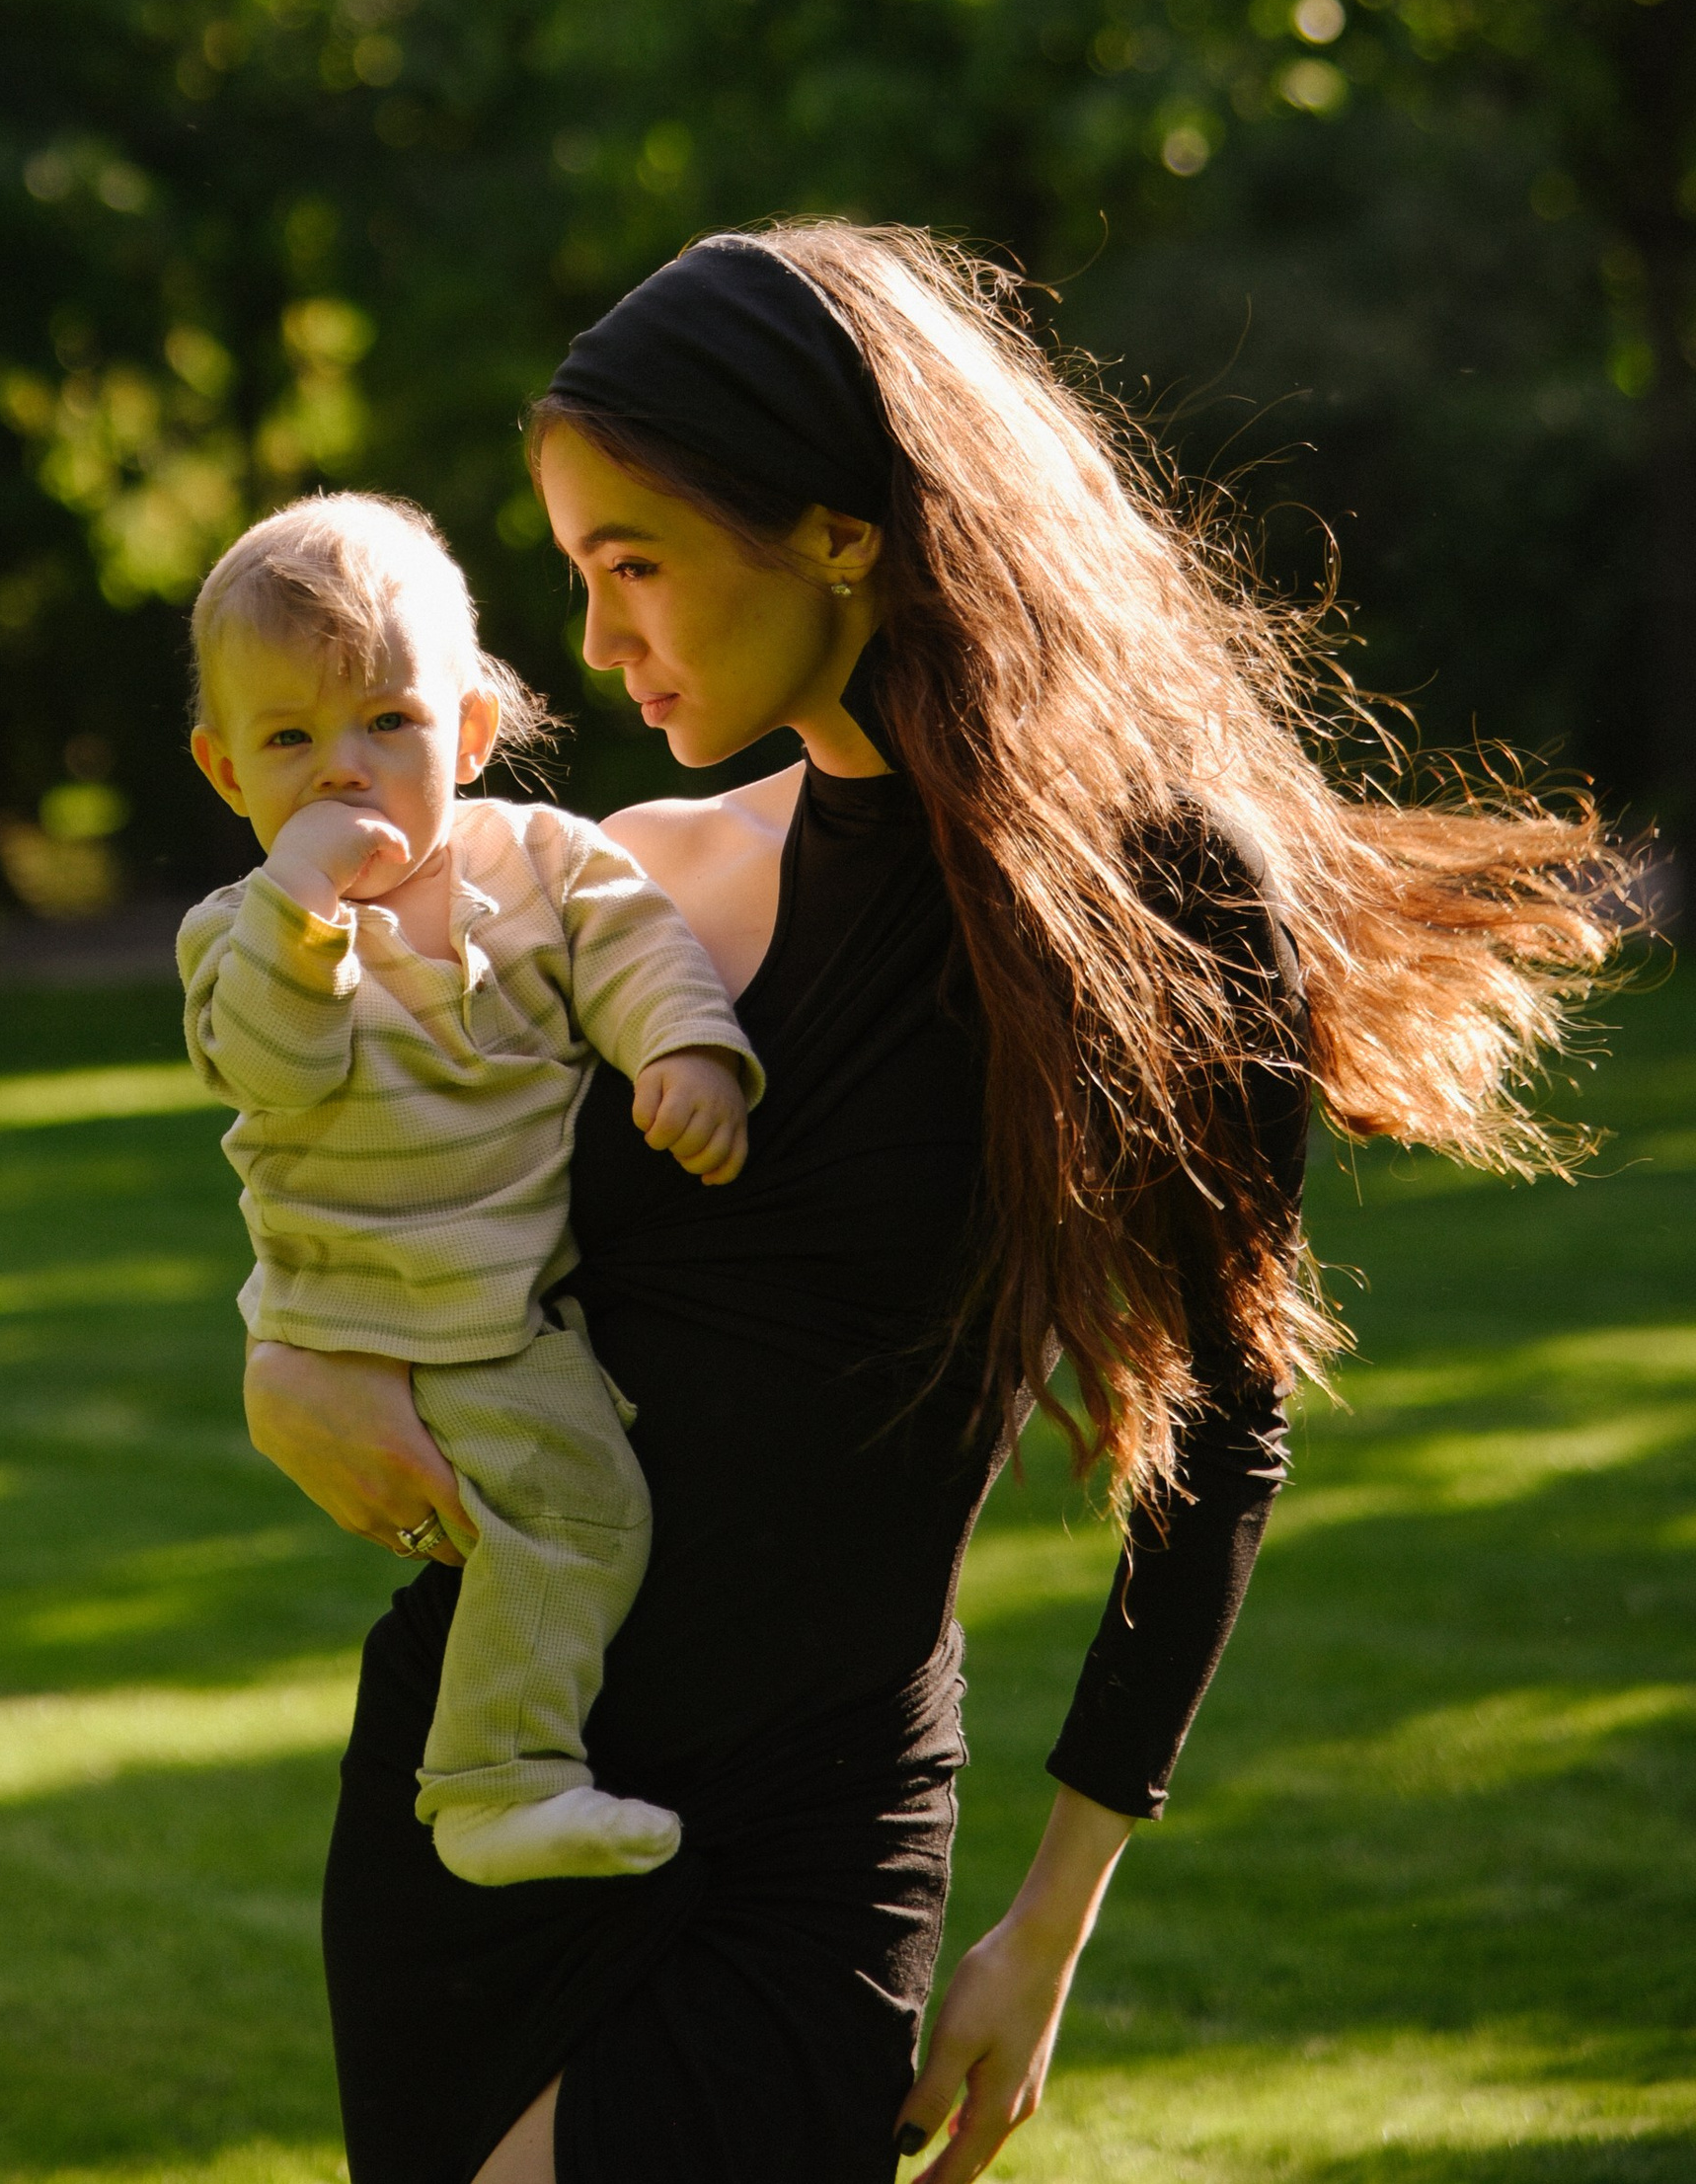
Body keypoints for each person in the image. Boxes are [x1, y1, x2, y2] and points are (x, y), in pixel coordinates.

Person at [247, 222, 1617, 2184]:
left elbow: (1224, 1425)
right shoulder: (613, 881)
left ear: (835, 534)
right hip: (481, 1809)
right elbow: (368, 1216)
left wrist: (1043, 1930)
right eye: (568, 576)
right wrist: (281, 1370)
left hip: (811, 1846)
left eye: (629, 563)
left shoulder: (1146, 905)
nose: (599, 634)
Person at [182, 494, 761, 1886]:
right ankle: (499, 1778)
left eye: (387, 721)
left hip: (488, 1293)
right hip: (373, 1306)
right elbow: (275, 1066)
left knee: (557, 1511)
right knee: (582, 1511)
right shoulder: (239, 934)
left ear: (475, 730)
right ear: (223, 769)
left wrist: (685, 1047)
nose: (344, 773)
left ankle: (504, 1760)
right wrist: (307, 908)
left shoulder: (545, 860)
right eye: (289, 740)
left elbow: (639, 947)